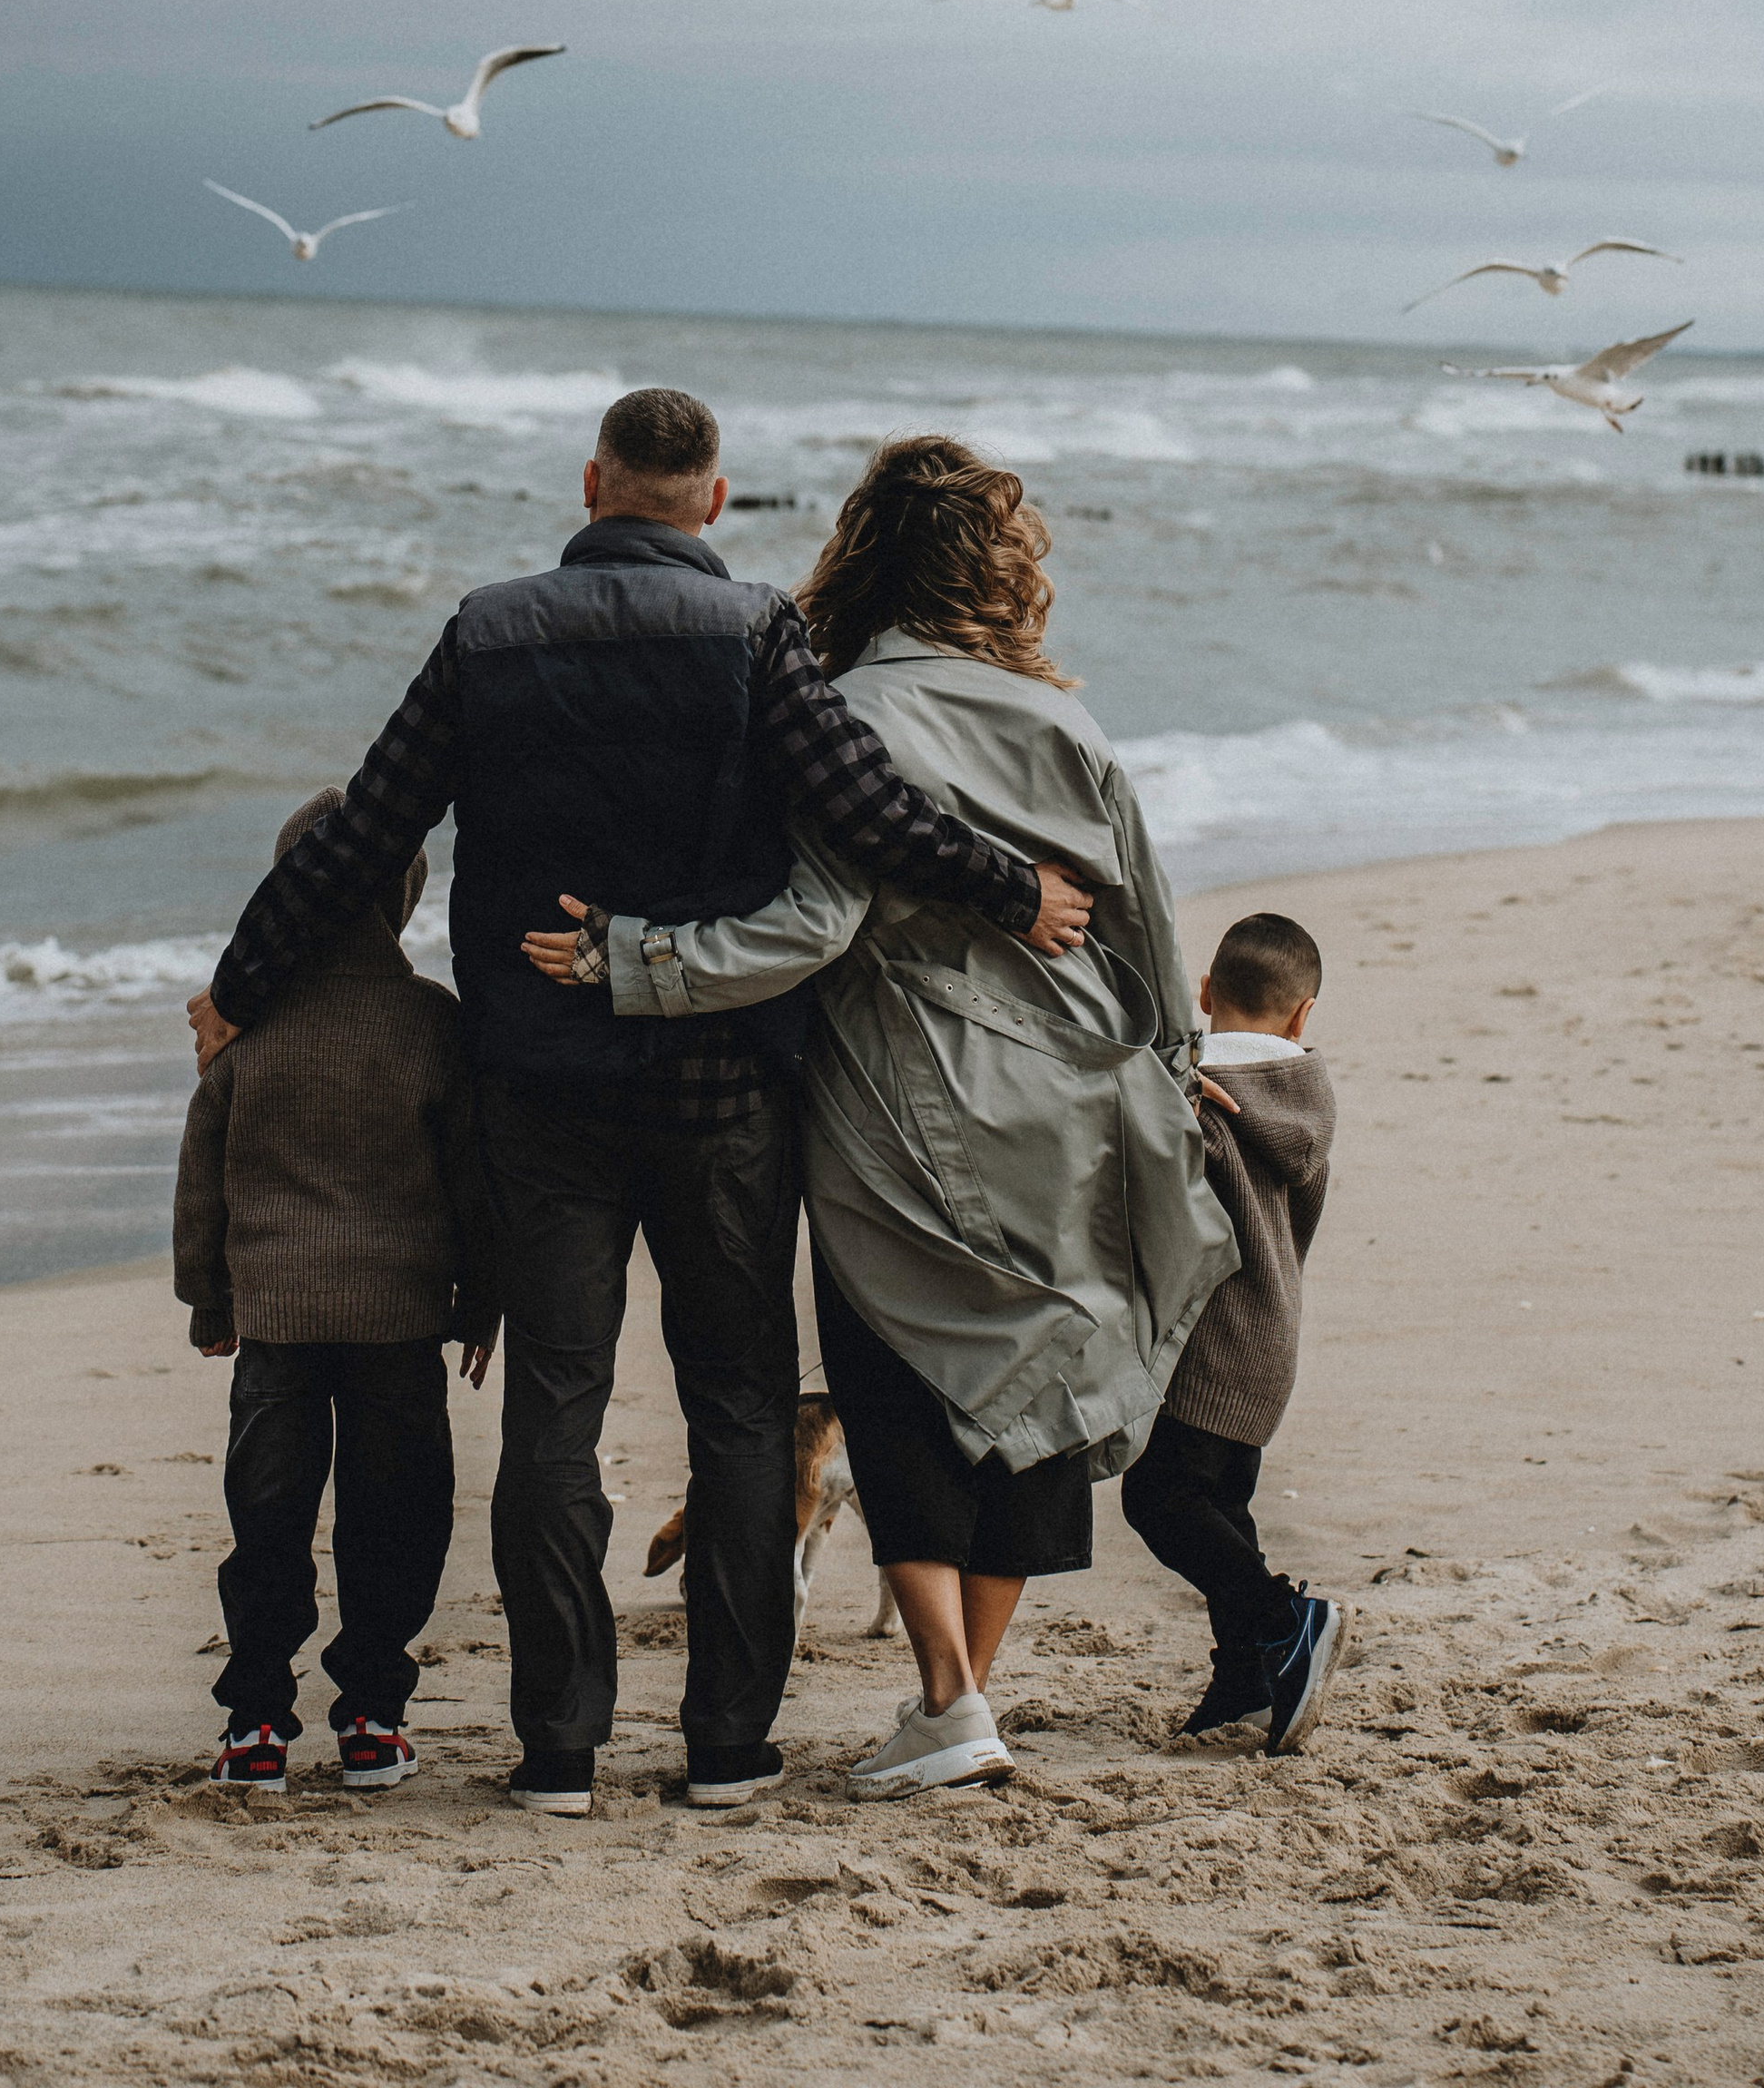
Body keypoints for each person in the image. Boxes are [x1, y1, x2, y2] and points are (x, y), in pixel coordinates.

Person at [186, 390, 1092, 1818]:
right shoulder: (754, 636)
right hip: (728, 1092)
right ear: (714, 504)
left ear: (594, 480)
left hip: (538, 1090)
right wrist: (1011, 886)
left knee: (557, 1408)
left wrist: (243, 982)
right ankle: (725, 1746)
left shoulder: (491, 631)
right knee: (736, 1409)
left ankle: (558, 1750)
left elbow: (373, 821)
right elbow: (865, 811)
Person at [532, 434, 1236, 1798]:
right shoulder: (1069, 723)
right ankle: (963, 1697)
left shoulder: (842, 709)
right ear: (999, 573)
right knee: (1038, 1377)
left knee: (895, 1381)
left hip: (910, 1097)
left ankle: (948, 1695)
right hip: (1078, 1086)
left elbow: (810, 924)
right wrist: (1166, 1064)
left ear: (860, 553)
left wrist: (635, 960)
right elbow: (1147, 923)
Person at [174, 785, 499, 1794]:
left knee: (267, 1518)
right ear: (403, 900)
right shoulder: (430, 1023)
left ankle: (257, 1722)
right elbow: (471, 1181)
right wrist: (481, 1297)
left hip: (274, 1318)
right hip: (399, 1318)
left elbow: (204, 1170)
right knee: (396, 1512)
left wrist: (208, 1298)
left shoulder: (248, 1026)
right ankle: (370, 1713)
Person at [1118, 908, 1343, 1753]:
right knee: (1222, 1507)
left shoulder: (1186, 1091)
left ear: (1204, 992)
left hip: (1208, 1339)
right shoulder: (1310, 1096)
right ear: (1303, 1016)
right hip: (1271, 1331)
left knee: (1159, 1499)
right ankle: (1245, 1677)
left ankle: (1285, 1619)